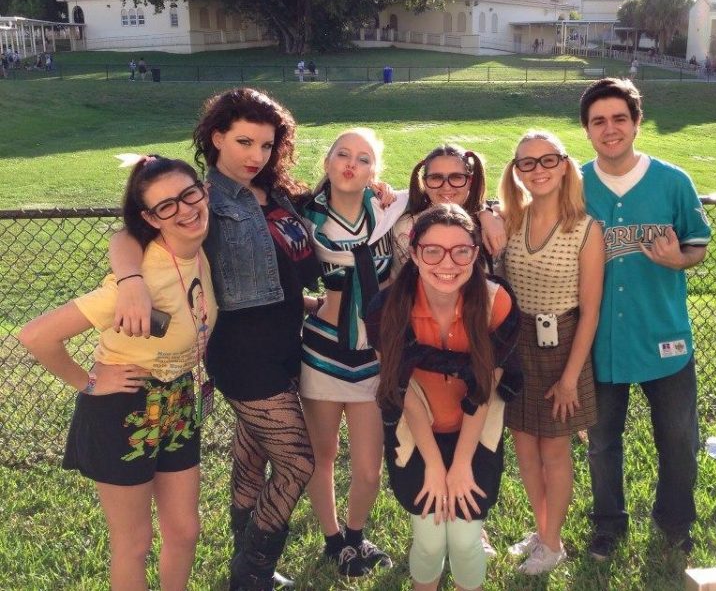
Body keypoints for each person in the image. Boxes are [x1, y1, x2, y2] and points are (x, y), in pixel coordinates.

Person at [110, 88, 319, 590]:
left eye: (267, 145)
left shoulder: (278, 193)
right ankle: (251, 574)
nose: (255, 156)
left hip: (286, 340)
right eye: (244, 142)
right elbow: (127, 235)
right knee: (297, 461)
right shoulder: (206, 199)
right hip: (242, 351)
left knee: (254, 454)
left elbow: (287, 264)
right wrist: (130, 281)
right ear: (217, 137)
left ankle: (242, 555)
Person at [19, 155, 218, 590]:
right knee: (134, 543)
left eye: (189, 194)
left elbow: (121, 234)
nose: (184, 210)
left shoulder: (198, 246)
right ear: (151, 218)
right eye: (167, 206)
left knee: (184, 531)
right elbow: (36, 336)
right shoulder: (137, 281)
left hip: (180, 400)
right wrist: (89, 382)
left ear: (203, 190)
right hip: (124, 409)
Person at [578, 78, 711, 560]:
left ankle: (675, 521)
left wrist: (679, 260)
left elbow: (697, 245)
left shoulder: (673, 180)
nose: (610, 129)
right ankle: (608, 526)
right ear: (587, 130)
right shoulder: (575, 183)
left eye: (619, 118)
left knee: (677, 438)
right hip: (599, 339)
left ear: (637, 122)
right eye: (598, 121)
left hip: (663, 334)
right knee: (601, 442)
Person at [365, 204, 522, 591]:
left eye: (461, 250)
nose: (447, 262)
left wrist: (462, 463)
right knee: (431, 537)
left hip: (476, 427)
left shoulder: (496, 301)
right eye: (433, 250)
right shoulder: (386, 308)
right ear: (415, 253)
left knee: (467, 540)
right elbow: (406, 392)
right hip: (416, 430)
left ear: (476, 252)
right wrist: (435, 465)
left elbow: (483, 387)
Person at [298, 128, 407, 577]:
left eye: (363, 159)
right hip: (322, 352)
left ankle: (357, 533)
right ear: (327, 162)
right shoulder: (304, 218)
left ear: (373, 172)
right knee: (320, 456)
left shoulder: (387, 210)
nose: (351, 163)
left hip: (373, 353)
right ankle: (334, 541)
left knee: (367, 469)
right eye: (342, 154)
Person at [498, 130, 604, 574]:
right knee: (524, 444)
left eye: (547, 160)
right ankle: (542, 530)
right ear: (516, 171)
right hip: (516, 343)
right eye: (527, 162)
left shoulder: (586, 228)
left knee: (554, 450)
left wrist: (569, 377)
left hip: (564, 345)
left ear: (564, 166)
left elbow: (591, 312)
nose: (537, 170)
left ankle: (553, 542)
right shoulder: (509, 219)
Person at [392, 144, 506, 278]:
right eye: (436, 178)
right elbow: (402, 282)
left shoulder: (491, 226)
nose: (446, 187)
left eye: (456, 177)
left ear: (470, 180)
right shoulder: (407, 227)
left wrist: (485, 213)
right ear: (424, 182)